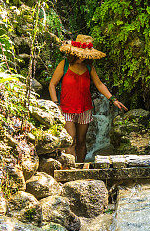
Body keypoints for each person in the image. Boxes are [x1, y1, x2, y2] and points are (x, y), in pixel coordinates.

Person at [48, 35, 127, 163]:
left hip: (85, 109)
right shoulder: (65, 64)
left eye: (85, 55)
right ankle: (71, 168)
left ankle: (80, 166)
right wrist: (56, 104)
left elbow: (99, 84)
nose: (84, 57)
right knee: (71, 139)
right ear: (74, 53)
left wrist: (113, 99)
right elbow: (52, 84)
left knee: (81, 141)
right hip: (67, 109)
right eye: (81, 54)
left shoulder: (89, 66)